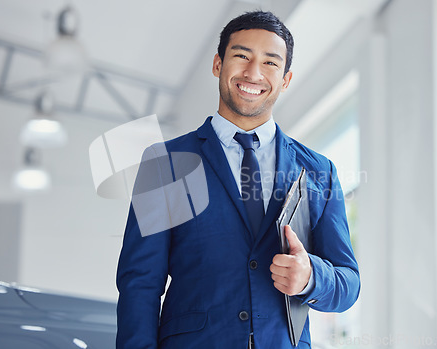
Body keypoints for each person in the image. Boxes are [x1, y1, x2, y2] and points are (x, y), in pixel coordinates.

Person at [116, 10, 360, 349]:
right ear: (218, 64)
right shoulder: (165, 164)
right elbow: (139, 283)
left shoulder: (320, 171)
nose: (253, 73)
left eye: (271, 63)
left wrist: (310, 277)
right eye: (241, 56)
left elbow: (348, 283)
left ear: (286, 79)